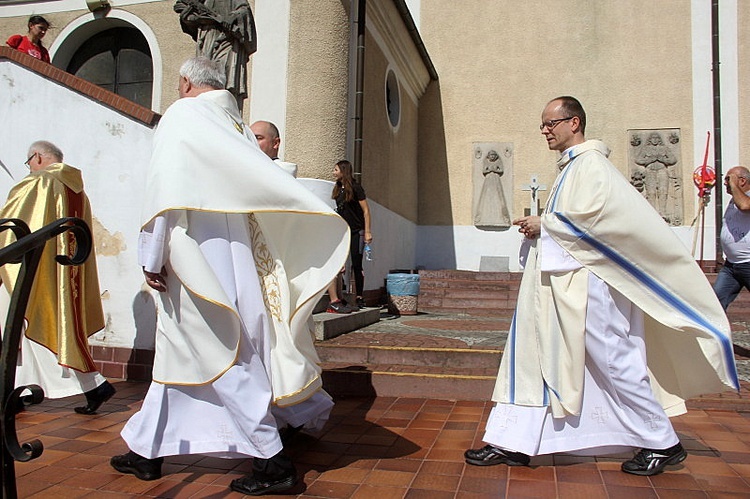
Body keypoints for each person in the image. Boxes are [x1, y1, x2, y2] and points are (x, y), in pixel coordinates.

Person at [110, 57, 348, 495]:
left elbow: (165, 187)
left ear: (184, 82)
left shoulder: (184, 113)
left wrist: (151, 254)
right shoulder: (231, 121)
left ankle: (273, 461)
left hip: (195, 250)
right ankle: (145, 451)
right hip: (238, 252)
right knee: (181, 348)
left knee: (221, 351)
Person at [465, 96, 738, 476]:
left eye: (551, 123)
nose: (545, 130)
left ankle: (664, 443)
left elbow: (604, 222)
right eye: (542, 124)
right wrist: (543, 227)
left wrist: (547, 225)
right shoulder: (571, 168)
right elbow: (577, 220)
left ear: (574, 123)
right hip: (560, 284)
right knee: (534, 358)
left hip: (592, 286)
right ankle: (514, 441)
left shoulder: (592, 165)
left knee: (615, 360)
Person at [0, 141, 116, 415]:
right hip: (63, 271)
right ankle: (25, 391)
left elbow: (12, 224)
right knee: (37, 331)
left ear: (38, 157)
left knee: (21, 325)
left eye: (28, 161)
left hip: (33, 271)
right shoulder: (76, 189)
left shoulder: (39, 183)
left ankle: (92, 385)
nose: (28, 167)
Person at [174, 0, 256, 111]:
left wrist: (231, 18)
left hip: (228, 39)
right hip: (207, 38)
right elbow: (183, 8)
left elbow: (244, 10)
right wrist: (197, 17)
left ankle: (225, 112)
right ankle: (205, 111)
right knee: (203, 76)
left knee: (225, 76)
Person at [326, 160, 372, 313]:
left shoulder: (356, 187)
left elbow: (366, 210)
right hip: (342, 231)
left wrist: (367, 231)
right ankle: (340, 294)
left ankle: (359, 296)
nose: (333, 172)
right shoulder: (338, 189)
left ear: (343, 171)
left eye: (336, 169)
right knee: (340, 262)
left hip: (356, 230)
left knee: (356, 263)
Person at [713, 165, 750, 310]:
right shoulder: (734, 199)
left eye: (728, 179)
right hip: (731, 266)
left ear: (742, 181)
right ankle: (716, 333)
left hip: (748, 262)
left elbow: (745, 206)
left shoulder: (744, 199)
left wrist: (734, 184)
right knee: (716, 302)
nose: (725, 183)